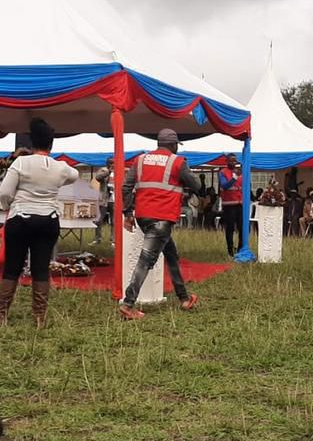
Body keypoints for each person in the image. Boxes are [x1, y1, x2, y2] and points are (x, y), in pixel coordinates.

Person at [0, 118, 79, 327]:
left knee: (12, 267)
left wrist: (8, 206)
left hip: (20, 218)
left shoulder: (21, 163)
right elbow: (74, 175)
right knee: (41, 268)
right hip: (48, 220)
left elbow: (4, 192)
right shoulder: (60, 167)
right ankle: (39, 318)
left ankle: (1, 316)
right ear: (51, 144)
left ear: (31, 143)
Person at [119, 128, 201, 320]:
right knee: (146, 260)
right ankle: (128, 304)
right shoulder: (177, 162)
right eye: (176, 145)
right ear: (172, 145)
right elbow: (197, 185)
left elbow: (126, 186)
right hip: (162, 218)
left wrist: (128, 214)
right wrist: (185, 174)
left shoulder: (140, 160)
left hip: (143, 216)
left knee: (171, 255)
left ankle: (184, 298)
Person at [218, 154, 243, 256]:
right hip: (229, 205)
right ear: (227, 161)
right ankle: (230, 251)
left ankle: (240, 249)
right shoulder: (223, 172)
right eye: (231, 161)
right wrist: (235, 177)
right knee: (230, 228)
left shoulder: (240, 173)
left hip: (240, 204)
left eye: (234, 161)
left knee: (242, 228)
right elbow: (224, 185)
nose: (233, 163)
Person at [92, 157, 115, 244]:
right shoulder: (103, 170)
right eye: (111, 163)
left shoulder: (119, 171)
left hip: (114, 199)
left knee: (114, 220)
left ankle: (113, 240)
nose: (113, 165)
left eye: (114, 163)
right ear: (108, 164)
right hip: (104, 198)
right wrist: (108, 172)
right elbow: (98, 178)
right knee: (99, 219)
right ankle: (97, 239)